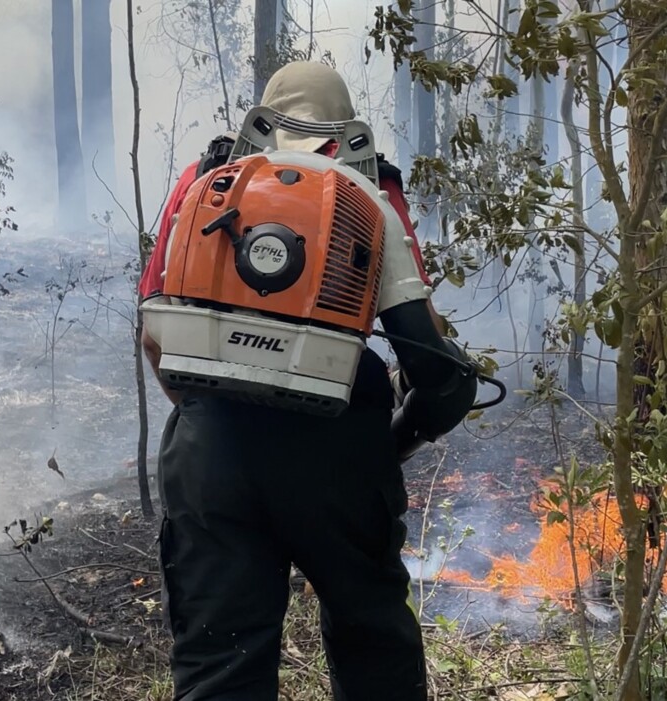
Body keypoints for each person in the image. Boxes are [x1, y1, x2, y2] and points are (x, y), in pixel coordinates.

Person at [138, 61, 442, 701]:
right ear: (346, 129)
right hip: (340, 452)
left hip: (209, 452)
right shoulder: (369, 195)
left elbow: (154, 333)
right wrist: (394, 442)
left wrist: (204, 409)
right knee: (373, 653)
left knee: (220, 668)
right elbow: (434, 371)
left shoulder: (205, 184)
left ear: (262, 119)